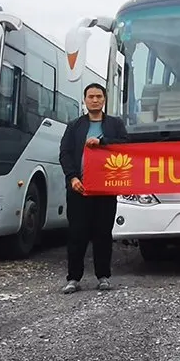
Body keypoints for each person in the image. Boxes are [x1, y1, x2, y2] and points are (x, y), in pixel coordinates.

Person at [58, 82, 128, 292]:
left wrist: (103, 142)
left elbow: (125, 146)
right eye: (91, 96)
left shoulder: (115, 124)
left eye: (99, 96)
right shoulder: (74, 126)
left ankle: (103, 276)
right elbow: (65, 153)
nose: (95, 100)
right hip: (79, 188)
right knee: (77, 233)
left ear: (104, 99)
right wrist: (72, 178)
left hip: (106, 188)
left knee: (103, 233)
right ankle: (73, 278)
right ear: (85, 99)